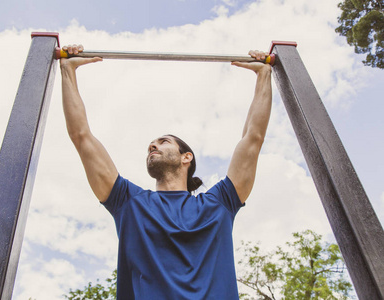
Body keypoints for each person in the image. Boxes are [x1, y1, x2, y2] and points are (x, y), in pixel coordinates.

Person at [60, 44, 272, 300]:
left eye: (163, 141)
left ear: (186, 157)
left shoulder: (219, 203)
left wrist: (263, 75)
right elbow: (81, 137)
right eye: (152, 144)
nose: (152, 145)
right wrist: (68, 69)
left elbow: (253, 138)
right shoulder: (129, 202)